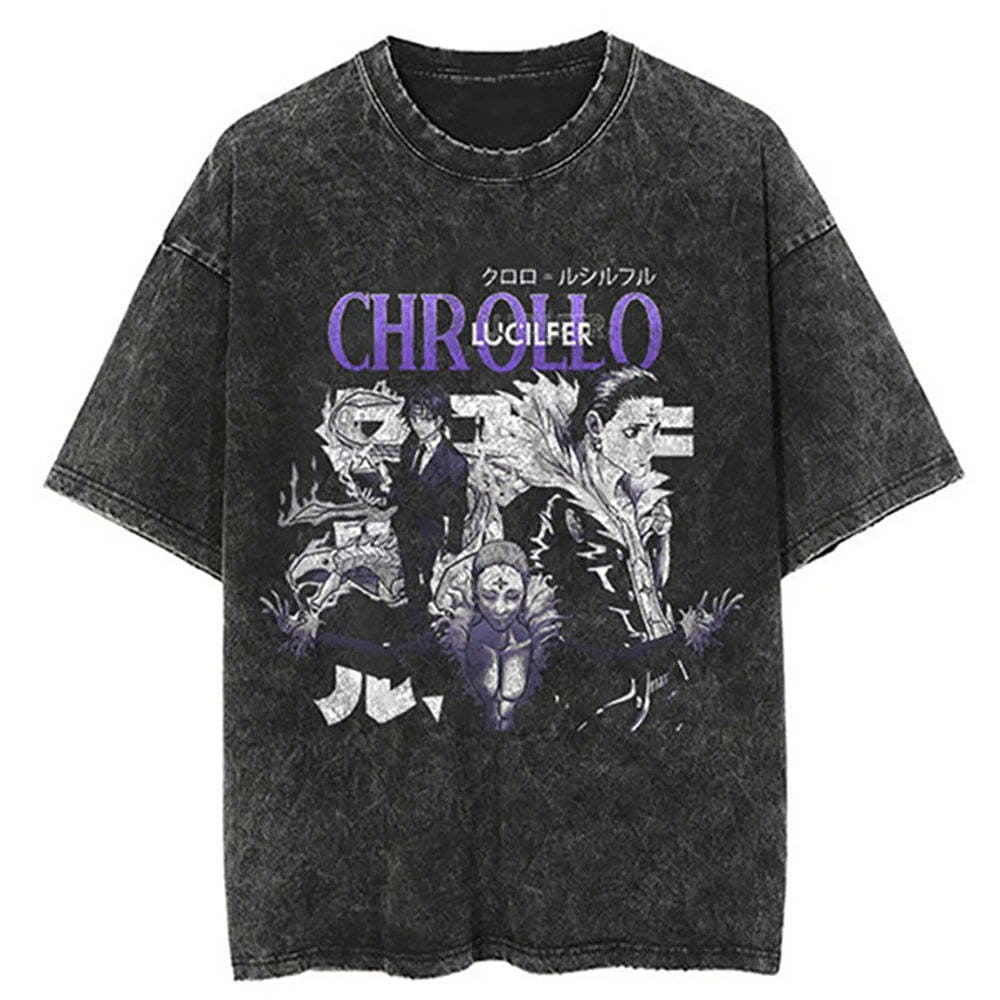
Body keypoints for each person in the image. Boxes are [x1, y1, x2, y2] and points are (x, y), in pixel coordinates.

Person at [385, 384, 468, 622]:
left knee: (429, 585)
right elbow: (406, 481)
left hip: (430, 531)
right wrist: (387, 482)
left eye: (425, 420)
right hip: (404, 526)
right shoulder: (410, 445)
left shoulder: (454, 462)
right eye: (413, 419)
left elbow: (458, 508)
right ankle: (413, 623)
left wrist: (453, 548)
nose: (418, 425)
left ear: (439, 420)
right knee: (410, 580)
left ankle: (426, 626)